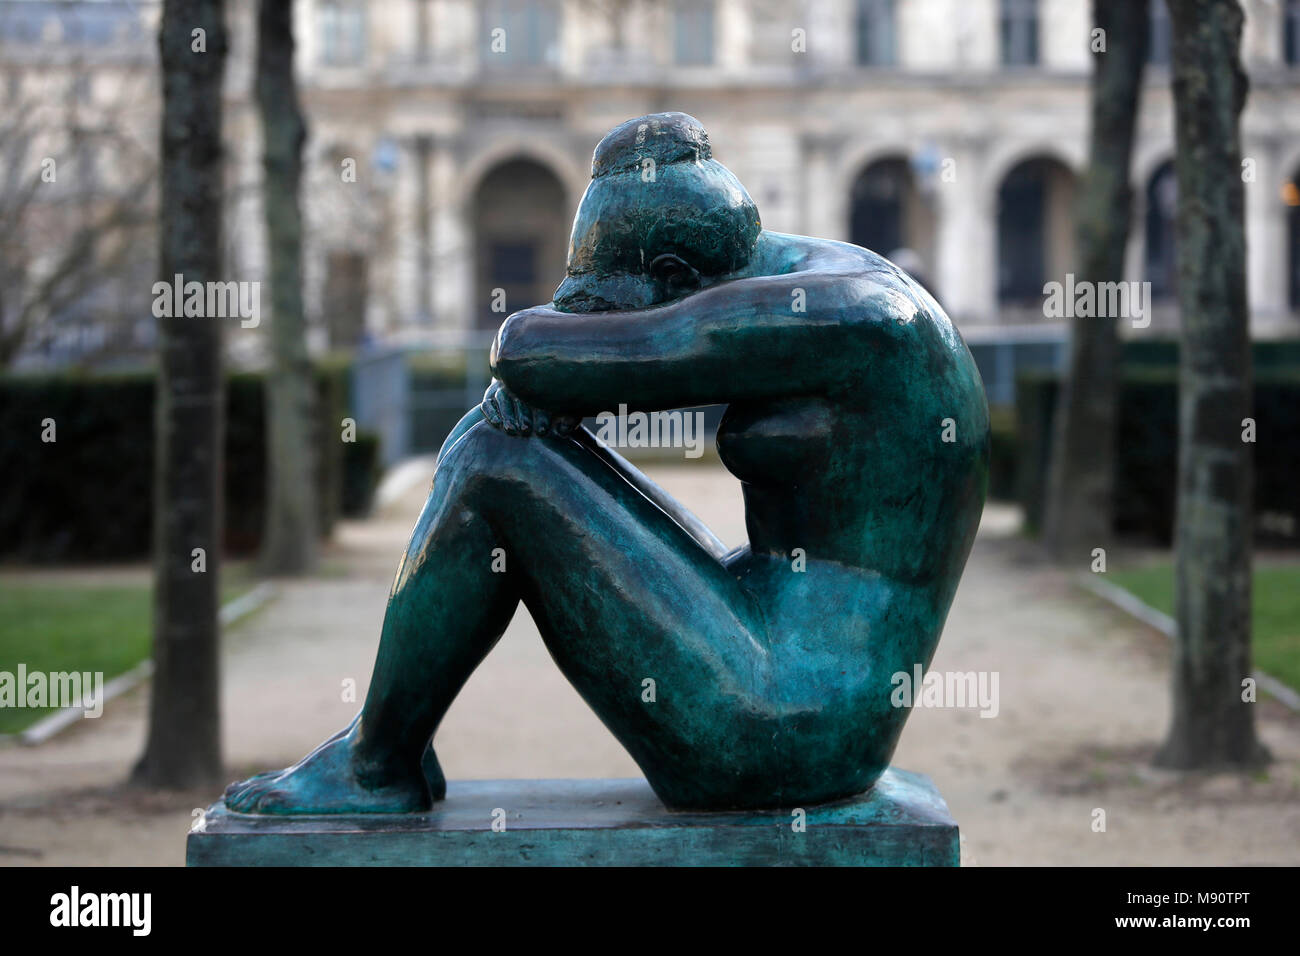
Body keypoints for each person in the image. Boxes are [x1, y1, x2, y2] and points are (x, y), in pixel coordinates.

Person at [225, 113, 989, 813]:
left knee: (496, 460)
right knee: (502, 445)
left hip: (789, 724)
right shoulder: (808, 271)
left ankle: (377, 764)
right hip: (775, 652)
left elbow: (527, 349)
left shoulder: (844, 314)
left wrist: (552, 377)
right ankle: (384, 752)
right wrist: (550, 391)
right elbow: (559, 370)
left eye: (623, 304)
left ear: (673, 275)